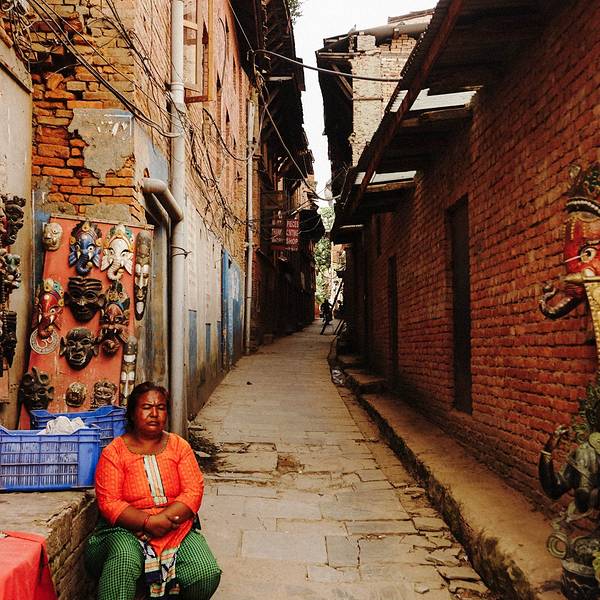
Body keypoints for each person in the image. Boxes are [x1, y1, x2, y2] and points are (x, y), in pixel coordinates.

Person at [85, 382, 221, 600]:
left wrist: (162, 521)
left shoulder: (179, 446)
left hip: (176, 528)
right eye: (147, 407)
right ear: (132, 413)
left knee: (205, 573)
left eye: (161, 407)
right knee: (123, 560)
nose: (155, 414)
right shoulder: (114, 452)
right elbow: (110, 503)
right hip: (124, 530)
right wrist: (147, 522)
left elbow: (193, 491)